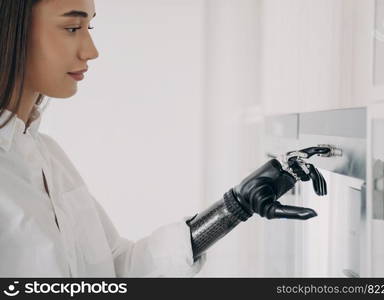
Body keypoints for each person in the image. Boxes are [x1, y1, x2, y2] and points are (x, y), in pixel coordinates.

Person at [0, 0, 327, 277]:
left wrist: (234, 207)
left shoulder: (48, 155)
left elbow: (118, 270)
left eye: (90, 29)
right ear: (10, 29)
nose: (91, 50)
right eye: (72, 28)